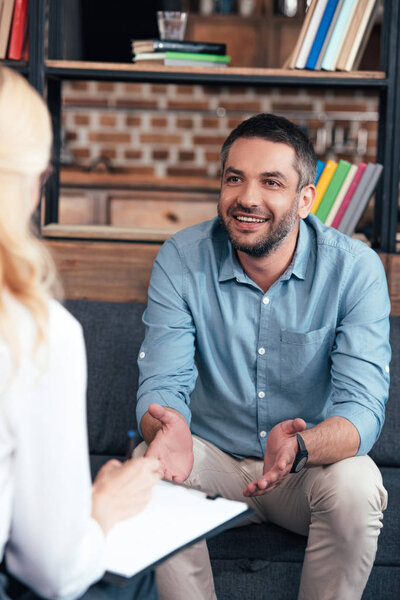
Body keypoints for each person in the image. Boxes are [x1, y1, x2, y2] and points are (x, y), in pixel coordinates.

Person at [134, 113, 390, 600]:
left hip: (303, 469)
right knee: (146, 466)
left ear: (306, 200)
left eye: (271, 182)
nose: (248, 197)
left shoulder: (355, 270)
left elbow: (363, 410)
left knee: (359, 483)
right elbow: (162, 384)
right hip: (210, 461)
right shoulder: (181, 258)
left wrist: (304, 447)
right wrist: (165, 430)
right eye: (235, 178)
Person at [0, 66, 162, 600]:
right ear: (33, 184)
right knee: (130, 578)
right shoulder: (35, 333)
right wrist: (103, 508)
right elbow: (55, 569)